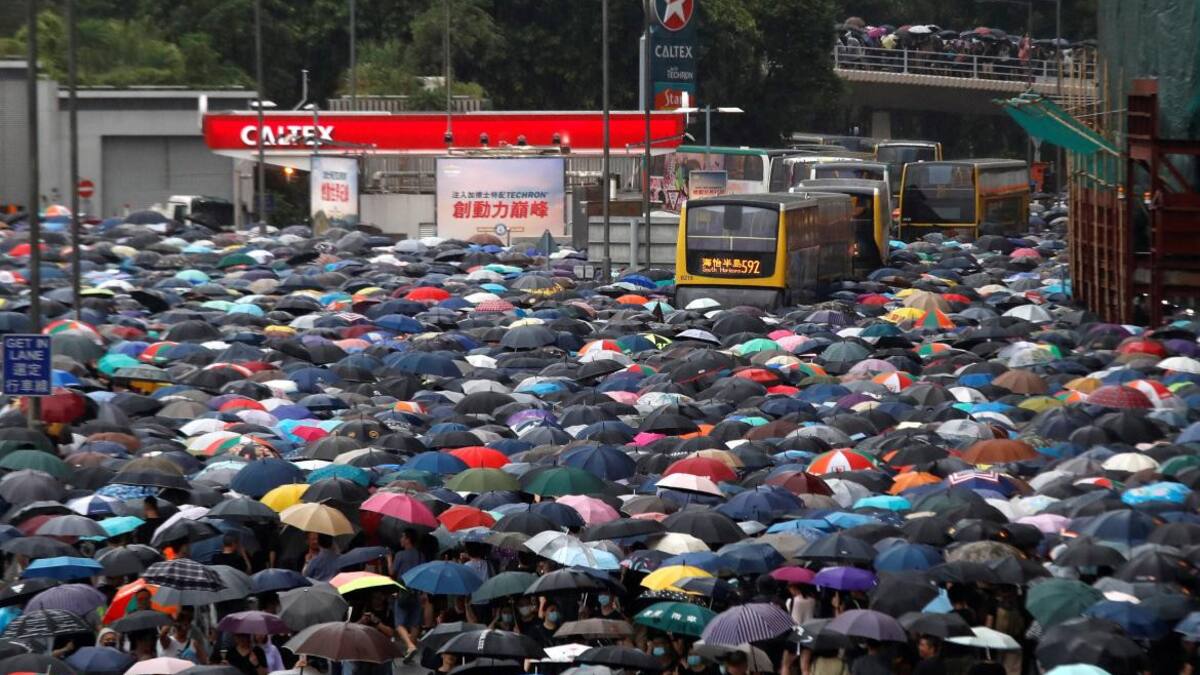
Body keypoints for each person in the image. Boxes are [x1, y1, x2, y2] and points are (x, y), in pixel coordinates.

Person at [391, 528, 426, 658]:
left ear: (407, 539)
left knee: (399, 623)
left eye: (402, 537)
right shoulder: (420, 555)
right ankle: (410, 650)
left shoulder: (400, 555)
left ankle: (410, 646)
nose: (401, 539)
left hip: (403, 592)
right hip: (416, 592)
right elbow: (423, 574)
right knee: (415, 623)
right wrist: (423, 593)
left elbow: (392, 572)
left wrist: (389, 558)